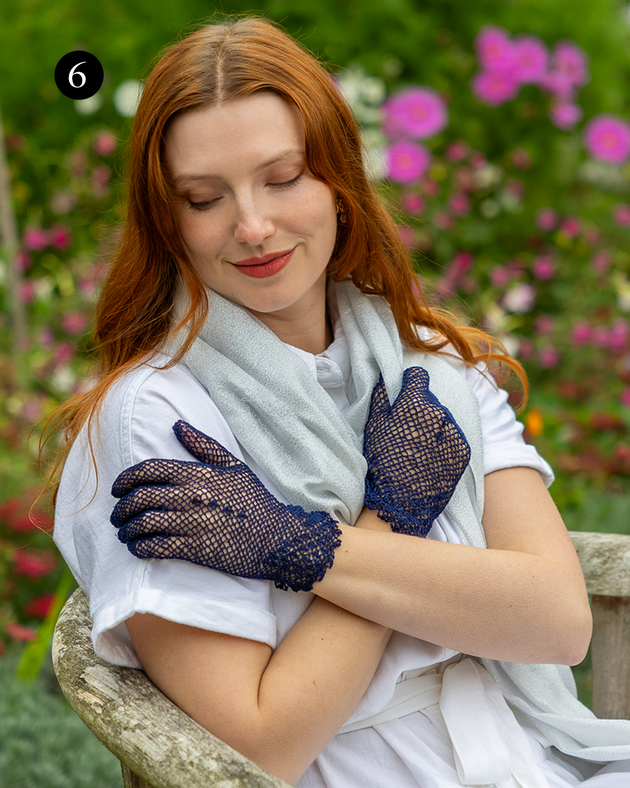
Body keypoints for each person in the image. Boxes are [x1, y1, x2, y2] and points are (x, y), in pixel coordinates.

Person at [51, 15, 630, 788]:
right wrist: (389, 518)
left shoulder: (432, 369)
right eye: (204, 197)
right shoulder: (156, 419)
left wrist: (308, 549)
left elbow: (556, 622)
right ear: (169, 221)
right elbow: (256, 749)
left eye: (283, 178)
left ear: (338, 181)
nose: (253, 226)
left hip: (531, 757)